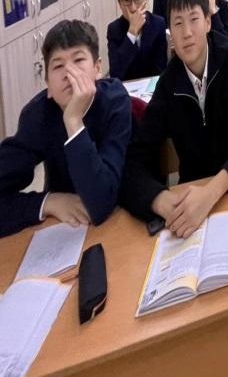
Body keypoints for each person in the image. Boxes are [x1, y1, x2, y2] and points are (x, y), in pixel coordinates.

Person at [119, 0, 228, 236]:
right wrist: (160, 200)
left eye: (194, 19)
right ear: (169, 31)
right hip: (191, 197)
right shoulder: (168, 85)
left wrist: (211, 193)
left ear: (208, 22)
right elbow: (133, 161)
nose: (186, 33)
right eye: (178, 23)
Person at [0, 20, 131, 237]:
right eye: (58, 66)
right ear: (48, 85)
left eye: (78, 60)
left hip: (116, 222)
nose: (69, 73)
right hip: (62, 228)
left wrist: (73, 120)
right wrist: (47, 202)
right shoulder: (37, 115)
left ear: (98, 69)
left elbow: (101, 203)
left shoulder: (115, 102)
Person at [107, 0, 167, 81]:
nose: (133, 7)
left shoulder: (158, 24)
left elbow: (161, 70)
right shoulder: (113, 29)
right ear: (119, 2)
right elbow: (115, 74)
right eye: (126, 0)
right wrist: (132, 33)